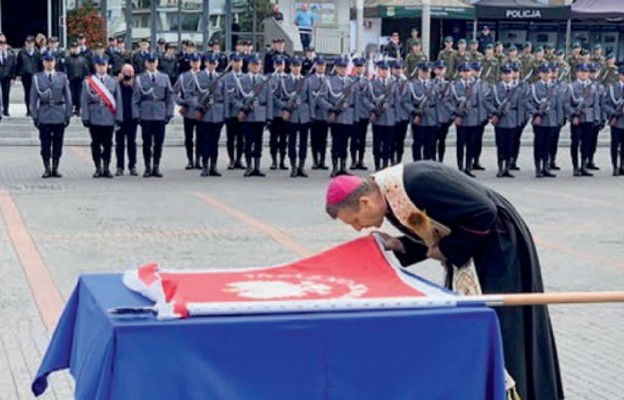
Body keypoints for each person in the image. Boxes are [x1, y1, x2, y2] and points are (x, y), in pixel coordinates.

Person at [324, 161, 564, 400]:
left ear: (364, 202)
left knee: (503, 328)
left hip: (500, 251)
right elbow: (442, 228)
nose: (357, 228)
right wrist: (399, 244)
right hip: (479, 252)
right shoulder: (390, 195)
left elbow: (483, 213)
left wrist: (448, 250)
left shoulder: (416, 183)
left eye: (354, 220)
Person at [132, 52, 175, 178]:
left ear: (157, 62)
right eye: (149, 62)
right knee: (146, 142)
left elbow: (169, 96)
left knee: (159, 142)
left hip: (160, 113)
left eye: (154, 62)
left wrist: (169, 113)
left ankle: (156, 166)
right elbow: (135, 99)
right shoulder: (140, 78)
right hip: (146, 113)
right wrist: (137, 115)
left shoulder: (164, 77)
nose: (152, 64)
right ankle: (147, 167)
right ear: (145, 63)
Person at [30, 51, 72, 178]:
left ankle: (55, 166)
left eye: (51, 61)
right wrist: (35, 116)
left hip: (58, 112)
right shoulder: (37, 78)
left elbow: (68, 97)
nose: (49, 64)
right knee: (45, 143)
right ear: (43, 62)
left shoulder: (62, 77)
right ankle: (47, 167)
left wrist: (68, 114)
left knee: (58, 142)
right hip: (44, 113)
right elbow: (33, 98)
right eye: (47, 61)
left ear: (55, 62)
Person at [81, 55, 123, 178]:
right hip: (94, 116)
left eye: (103, 65)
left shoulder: (113, 81)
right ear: (95, 66)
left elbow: (118, 99)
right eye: (99, 65)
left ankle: (106, 167)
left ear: (107, 66)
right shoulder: (89, 82)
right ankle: (98, 167)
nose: (101, 68)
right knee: (95, 143)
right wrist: (85, 117)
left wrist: (118, 117)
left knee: (108, 144)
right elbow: (85, 100)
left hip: (109, 116)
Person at [316, 57, 357, 177]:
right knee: (336, 143)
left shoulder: (351, 82)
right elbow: (320, 98)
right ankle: (335, 167)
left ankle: (343, 167)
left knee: (345, 143)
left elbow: (355, 101)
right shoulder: (329, 82)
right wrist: (330, 108)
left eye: (345, 68)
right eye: (340, 68)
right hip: (336, 117)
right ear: (336, 69)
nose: (343, 70)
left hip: (348, 117)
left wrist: (355, 118)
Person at [234, 54, 272, 177]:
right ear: (249, 66)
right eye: (253, 65)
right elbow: (234, 98)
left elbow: (269, 100)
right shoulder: (241, 80)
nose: (256, 67)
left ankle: (257, 167)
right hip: (248, 115)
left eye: (258, 65)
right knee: (248, 141)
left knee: (258, 142)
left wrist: (269, 117)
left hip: (260, 114)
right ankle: (249, 166)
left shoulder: (264, 81)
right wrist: (242, 107)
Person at [564, 63, 601, 177]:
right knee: (575, 143)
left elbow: (596, 104)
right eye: (582, 71)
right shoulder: (571, 87)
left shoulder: (593, 87)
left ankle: (584, 166)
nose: (584, 73)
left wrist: (596, 118)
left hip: (589, 117)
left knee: (587, 143)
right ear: (577, 73)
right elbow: (566, 103)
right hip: (577, 118)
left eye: (586, 72)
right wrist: (572, 115)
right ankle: (575, 167)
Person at [525, 64, 561, 178]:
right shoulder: (534, 87)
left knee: (548, 144)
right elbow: (527, 102)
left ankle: (546, 166)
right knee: (539, 144)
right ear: (540, 74)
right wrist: (536, 113)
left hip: (551, 120)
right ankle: (538, 168)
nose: (547, 75)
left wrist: (559, 119)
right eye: (544, 73)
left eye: (548, 73)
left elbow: (559, 104)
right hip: (539, 120)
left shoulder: (555, 87)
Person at [485, 65, 519, 178]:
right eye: (505, 73)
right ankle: (500, 167)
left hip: (512, 119)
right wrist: (494, 112)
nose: (507, 75)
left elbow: (520, 105)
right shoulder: (495, 88)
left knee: (510, 145)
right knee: (500, 145)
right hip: (500, 120)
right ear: (501, 75)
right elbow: (487, 102)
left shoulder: (516, 89)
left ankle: (507, 168)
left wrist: (519, 120)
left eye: (509, 73)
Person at [279, 56, 311, 178]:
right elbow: (278, 97)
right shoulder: (285, 80)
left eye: (298, 66)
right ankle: (293, 166)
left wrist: (311, 115)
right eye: (294, 66)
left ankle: (301, 167)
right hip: (291, 115)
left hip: (304, 115)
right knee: (291, 142)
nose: (296, 68)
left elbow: (310, 99)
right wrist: (285, 107)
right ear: (290, 66)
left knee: (303, 142)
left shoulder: (305, 80)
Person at [195, 53, 226, 177]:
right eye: (210, 63)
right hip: (204, 114)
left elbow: (225, 96)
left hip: (217, 113)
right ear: (205, 63)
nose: (212, 65)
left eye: (214, 63)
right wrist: (198, 106)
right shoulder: (198, 77)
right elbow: (191, 94)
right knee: (205, 141)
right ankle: (205, 166)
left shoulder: (221, 78)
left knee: (215, 141)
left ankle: (214, 166)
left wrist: (225, 114)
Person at [173, 52, 202, 170]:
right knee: (188, 137)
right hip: (188, 110)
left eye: (197, 62)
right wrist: (181, 102)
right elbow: (174, 92)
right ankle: (190, 160)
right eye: (193, 62)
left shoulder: (203, 75)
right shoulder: (183, 76)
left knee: (200, 137)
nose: (195, 64)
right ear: (190, 63)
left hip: (201, 110)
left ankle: (198, 160)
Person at [408, 63, 438, 162]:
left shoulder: (434, 85)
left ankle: (427, 163)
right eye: (424, 71)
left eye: (428, 72)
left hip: (432, 117)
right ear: (419, 71)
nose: (426, 74)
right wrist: (414, 112)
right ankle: (417, 163)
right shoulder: (412, 85)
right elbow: (406, 102)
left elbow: (438, 102)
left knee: (430, 142)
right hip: (418, 117)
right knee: (418, 142)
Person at [115, 64, 139, 176]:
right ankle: (120, 166)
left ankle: (132, 166)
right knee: (119, 143)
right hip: (119, 118)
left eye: (130, 72)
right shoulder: (116, 84)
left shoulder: (136, 83)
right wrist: (117, 81)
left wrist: (132, 85)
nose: (127, 74)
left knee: (131, 143)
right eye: (125, 72)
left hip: (131, 118)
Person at [223, 53, 246, 170]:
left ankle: (239, 159)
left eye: (239, 61)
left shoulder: (245, 77)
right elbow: (228, 96)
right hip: (231, 112)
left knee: (241, 138)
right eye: (235, 61)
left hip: (243, 114)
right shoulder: (226, 78)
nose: (237, 64)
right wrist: (240, 105)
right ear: (231, 63)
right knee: (231, 138)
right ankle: (231, 159)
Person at [309, 55, 329, 170]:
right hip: (315, 113)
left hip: (324, 114)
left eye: (323, 65)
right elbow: (311, 97)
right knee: (314, 139)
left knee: (324, 139)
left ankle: (322, 160)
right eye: (319, 65)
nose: (321, 67)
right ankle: (315, 161)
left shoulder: (328, 80)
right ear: (315, 66)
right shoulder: (310, 80)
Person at [603, 65, 624, 176]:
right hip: (616, 121)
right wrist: (614, 113)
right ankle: (615, 166)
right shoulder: (612, 88)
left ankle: (622, 165)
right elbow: (605, 103)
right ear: (620, 75)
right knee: (615, 145)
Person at [17, 36, 40, 116]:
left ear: (34, 43)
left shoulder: (37, 52)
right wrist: (18, 74)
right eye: (28, 43)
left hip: (35, 75)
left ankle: (35, 109)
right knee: (27, 92)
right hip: (25, 74)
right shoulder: (21, 52)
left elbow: (40, 64)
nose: (29, 44)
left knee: (35, 93)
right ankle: (28, 110)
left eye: (31, 43)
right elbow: (18, 64)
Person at [65, 42, 89, 116]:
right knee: (70, 95)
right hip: (70, 80)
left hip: (80, 80)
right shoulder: (67, 59)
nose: (75, 50)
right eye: (73, 48)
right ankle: (71, 109)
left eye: (76, 48)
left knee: (79, 95)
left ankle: (78, 109)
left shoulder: (83, 59)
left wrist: (86, 78)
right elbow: (65, 69)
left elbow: (86, 70)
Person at [0, 37, 16, 117]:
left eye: (4, 45)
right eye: (1, 45)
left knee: (6, 94)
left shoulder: (11, 55)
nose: (2, 46)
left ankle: (6, 109)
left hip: (7, 76)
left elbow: (13, 66)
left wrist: (13, 77)